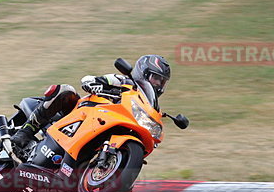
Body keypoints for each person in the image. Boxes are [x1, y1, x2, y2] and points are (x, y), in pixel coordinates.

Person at [10, 55, 171, 149]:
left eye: (161, 81)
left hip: (106, 127)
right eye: (155, 78)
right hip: (84, 113)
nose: (157, 84)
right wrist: (97, 86)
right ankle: (25, 131)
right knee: (66, 91)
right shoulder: (122, 80)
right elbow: (87, 80)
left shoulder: (148, 105)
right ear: (143, 72)